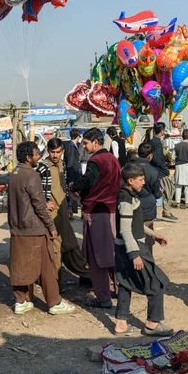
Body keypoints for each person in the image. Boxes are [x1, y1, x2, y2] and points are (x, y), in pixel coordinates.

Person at [8, 141, 75, 315]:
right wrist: (51, 226)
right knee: (47, 265)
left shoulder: (14, 173)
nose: (39, 157)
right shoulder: (32, 175)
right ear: (28, 157)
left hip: (17, 227)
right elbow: (39, 205)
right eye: (36, 154)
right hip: (34, 228)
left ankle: (21, 300)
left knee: (20, 264)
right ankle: (54, 302)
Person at [114, 163, 173, 337]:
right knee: (156, 282)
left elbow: (135, 224)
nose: (143, 183)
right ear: (130, 180)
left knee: (125, 283)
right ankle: (152, 324)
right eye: (140, 180)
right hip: (132, 247)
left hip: (122, 246)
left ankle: (121, 324)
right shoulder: (126, 200)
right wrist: (135, 255)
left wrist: (153, 234)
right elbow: (125, 230)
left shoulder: (128, 196)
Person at [70, 128, 122, 308]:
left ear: (95, 142)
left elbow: (87, 181)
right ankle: (119, 290)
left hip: (97, 212)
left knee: (97, 256)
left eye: (85, 143)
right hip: (112, 211)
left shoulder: (96, 160)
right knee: (113, 253)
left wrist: (73, 186)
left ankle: (103, 298)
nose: (84, 147)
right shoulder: (113, 160)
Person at [37, 138, 88, 287]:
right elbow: (33, 189)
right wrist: (44, 202)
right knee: (55, 247)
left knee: (70, 244)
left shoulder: (61, 164)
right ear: (48, 150)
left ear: (62, 151)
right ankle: (54, 283)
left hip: (63, 211)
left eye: (58, 152)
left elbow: (62, 188)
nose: (55, 155)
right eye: (52, 152)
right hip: (51, 214)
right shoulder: (42, 167)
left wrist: (68, 207)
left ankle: (85, 274)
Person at [134, 143, 163, 253]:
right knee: (147, 239)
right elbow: (157, 193)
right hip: (147, 209)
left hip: (131, 206)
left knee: (132, 237)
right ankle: (147, 263)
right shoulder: (153, 171)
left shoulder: (127, 168)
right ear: (150, 156)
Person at [149, 123, 178, 221]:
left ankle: (164, 211)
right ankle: (166, 211)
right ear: (161, 131)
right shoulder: (156, 142)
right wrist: (164, 168)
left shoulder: (153, 141)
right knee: (170, 189)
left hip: (156, 170)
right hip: (160, 171)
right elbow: (157, 158)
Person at [174, 130, 188, 209]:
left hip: (178, 166)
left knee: (178, 185)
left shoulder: (177, 145)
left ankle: (177, 202)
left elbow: (173, 157)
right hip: (187, 166)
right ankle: (187, 203)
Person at [63, 129, 82, 214]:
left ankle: (73, 208)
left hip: (75, 171)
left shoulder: (72, 145)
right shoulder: (71, 146)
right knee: (72, 190)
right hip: (72, 172)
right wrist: (70, 175)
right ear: (77, 137)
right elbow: (70, 161)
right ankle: (71, 208)